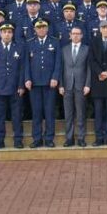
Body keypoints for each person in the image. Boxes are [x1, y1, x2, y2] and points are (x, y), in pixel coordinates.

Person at [0, 23, 26, 149]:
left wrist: (21, 85)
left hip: (15, 88)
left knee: (17, 116)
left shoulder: (19, 47)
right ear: (0, 33)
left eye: (9, 32)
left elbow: (22, 68)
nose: (7, 34)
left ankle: (18, 139)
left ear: (13, 34)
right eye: (4, 32)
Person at [24, 19, 62, 148]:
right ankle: (37, 138)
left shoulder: (55, 42)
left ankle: (49, 138)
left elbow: (58, 62)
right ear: (34, 29)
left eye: (43, 27)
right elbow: (26, 63)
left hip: (50, 83)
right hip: (34, 83)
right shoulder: (29, 43)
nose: (41, 29)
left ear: (47, 28)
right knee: (36, 112)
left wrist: (55, 77)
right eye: (38, 27)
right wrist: (27, 79)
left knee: (49, 112)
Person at [58, 26, 91, 147]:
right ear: (70, 35)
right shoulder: (64, 49)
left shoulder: (87, 49)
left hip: (81, 86)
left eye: (78, 34)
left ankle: (81, 138)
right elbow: (61, 68)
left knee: (81, 113)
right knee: (68, 114)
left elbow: (89, 68)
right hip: (67, 86)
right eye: (73, 34)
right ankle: (69, 138)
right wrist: (61, 85)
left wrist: (87, 84)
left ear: (81, 35)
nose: (76, 36)